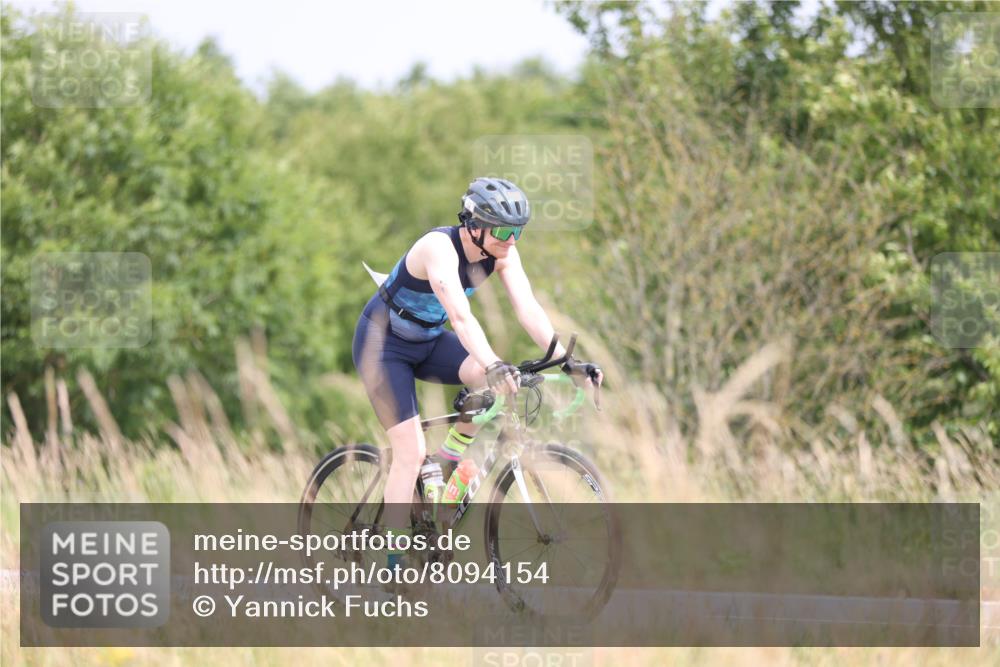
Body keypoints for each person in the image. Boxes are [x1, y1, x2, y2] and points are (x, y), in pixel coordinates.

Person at [351, 177, 603, 571]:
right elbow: (462, 318)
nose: (512, 239)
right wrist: (491, 363)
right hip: (383, 346)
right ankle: (394, 563)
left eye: (518, 230)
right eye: (503, 230)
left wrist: (568, 362)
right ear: (474, 223)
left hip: (430, 340)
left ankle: (445, 461)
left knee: (497, 383)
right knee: (409, 451)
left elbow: (528, 309)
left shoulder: (503, 252)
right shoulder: (437, 248)